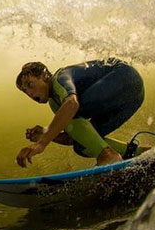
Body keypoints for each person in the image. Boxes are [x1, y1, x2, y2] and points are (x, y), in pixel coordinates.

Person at [14, 58, 144, 168]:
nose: (30, 93)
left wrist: (41, 144)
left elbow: (72, 105)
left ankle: (108, 156)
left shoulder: (59, 79)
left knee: (69, 110)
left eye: (30, 84)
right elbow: (75, 136)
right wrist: (46, 133)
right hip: (133, 97)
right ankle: (137, 153)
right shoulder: (56, 103)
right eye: (25, 91)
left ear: (45, 76)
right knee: (82, 146)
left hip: (124, 75)